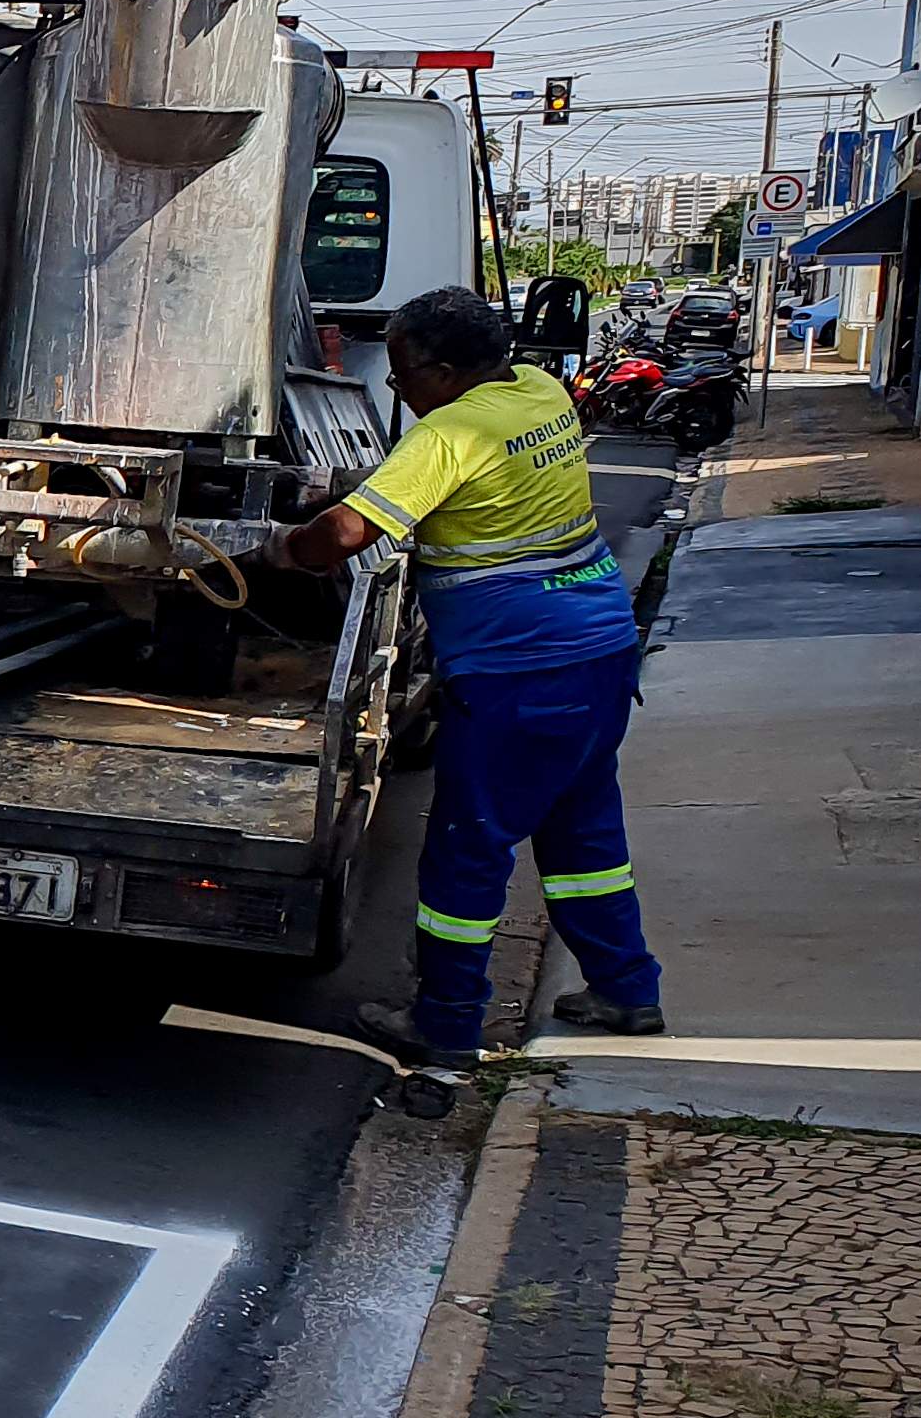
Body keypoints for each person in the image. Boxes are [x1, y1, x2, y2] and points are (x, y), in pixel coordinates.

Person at [278, 284, 664, 1067]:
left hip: (518, 671)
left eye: (403, 374)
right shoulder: (540, 391)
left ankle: (446, 1023)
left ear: (448, 371)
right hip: (599, 651)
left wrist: (279, 550)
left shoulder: (449, 435)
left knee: (468, 847)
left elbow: (343, 536)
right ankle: (626, 988)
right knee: (583, 830)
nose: (398, 390)